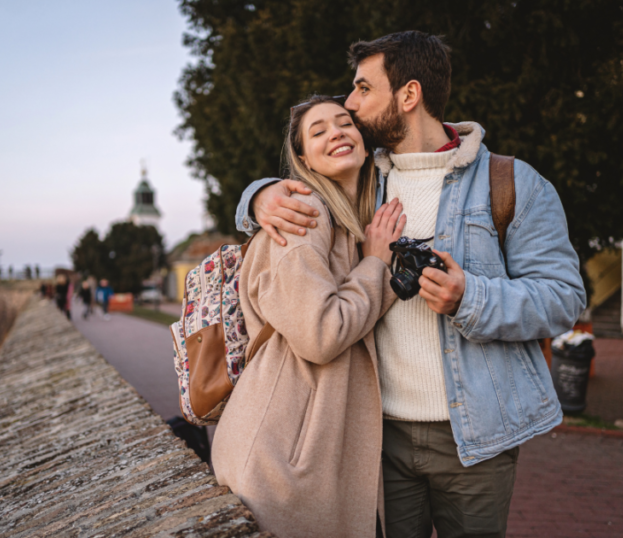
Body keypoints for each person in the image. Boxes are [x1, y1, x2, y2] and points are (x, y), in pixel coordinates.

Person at [235, 31, 586, 538]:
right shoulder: (360, 185)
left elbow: (564, 299)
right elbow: (301, 193)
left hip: (477, 440)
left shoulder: (512, 183)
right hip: (378, 440)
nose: (350, 106)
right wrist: (258, 196)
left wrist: (473, 298)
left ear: (408, 95)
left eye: (361, 90)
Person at [212, 95, 405, 538]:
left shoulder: (351, 222)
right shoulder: (304, 215)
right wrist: (376, 266)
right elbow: (321, 335)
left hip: (307, 449)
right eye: (318, 131)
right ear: (302, 158)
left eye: (345, 124)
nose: (337, 132)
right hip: (282, 461)